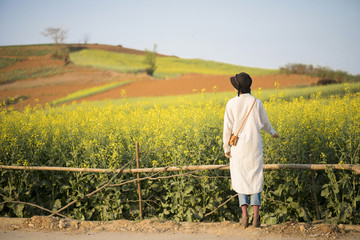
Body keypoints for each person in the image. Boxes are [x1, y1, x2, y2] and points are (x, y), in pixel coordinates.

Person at [223, 72, 279, 228]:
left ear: (238, 88)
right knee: (255, 178)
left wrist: (226, 147)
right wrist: (273, 132)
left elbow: (227, 129)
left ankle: (244, 217)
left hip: (238, 147)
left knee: (240, 178)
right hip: (254, 146)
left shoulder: (231, 103)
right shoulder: (257, 102)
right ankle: (256, 218)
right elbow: (265, 123)